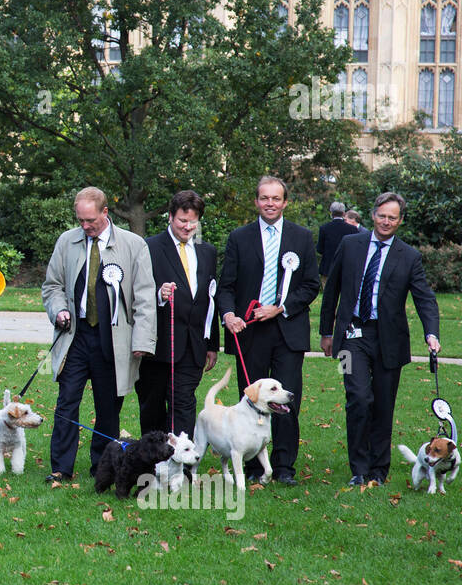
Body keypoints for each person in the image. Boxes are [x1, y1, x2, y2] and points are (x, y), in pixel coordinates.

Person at [320, 191, 441, 486]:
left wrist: (431, 332)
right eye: (382, 215)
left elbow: (424, 298)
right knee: (358, 398)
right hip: (352, 336)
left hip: (389, 339)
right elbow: (331, 289)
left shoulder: (409, 256)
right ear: (373, 215)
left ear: (400, 221)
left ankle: (378, 469)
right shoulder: (350, 245)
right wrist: (326, 332)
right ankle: (359, 469)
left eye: (392, 217)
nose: (386, 221)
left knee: (383, 404)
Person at [42, 187, 156, 482]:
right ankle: (61, 468)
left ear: (106, 213)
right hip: (76, 337)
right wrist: (58, 312)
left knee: (109, 408)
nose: (84, 226)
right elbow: (52, 286)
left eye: (90, 220)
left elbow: (144, 296)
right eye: (80, 220)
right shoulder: (67, 242)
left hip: (113, 340)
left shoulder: (134, 245)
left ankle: (101, 468)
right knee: (67, 401)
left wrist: (142, 341)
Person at [215, 175, 320, 486]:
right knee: (251, 401)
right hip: (251, 332)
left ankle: (284, 467)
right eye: (264, 198)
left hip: (288, 331)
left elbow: (311, 284)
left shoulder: (301, 237)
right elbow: (226, 287)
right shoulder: (239, 237)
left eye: (276, 198)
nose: (270, 203)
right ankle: (251, 466)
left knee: (287, 400)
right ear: (256, 202)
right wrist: (229, 315)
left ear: (285, 202)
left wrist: (281, 307)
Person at [136, 189, 219, 439]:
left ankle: (181, 467)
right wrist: (158, 295)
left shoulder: (207, 252)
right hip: (157, 346)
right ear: (170, 217)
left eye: (193, 221)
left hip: (193, 345)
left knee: (184, 404)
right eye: (182, 220)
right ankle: (153, 462)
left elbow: (210, 300)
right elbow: (134, 293)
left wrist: (212, 343)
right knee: (153, 407)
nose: (188, 226)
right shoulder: (149, 247)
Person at [317, 201, 358, 280]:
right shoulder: (352, 229)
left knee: (327, 291)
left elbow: (319, 249)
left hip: (327, 268)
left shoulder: (324, 228)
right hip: (346, 268)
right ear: (344, 214)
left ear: (331, 213)